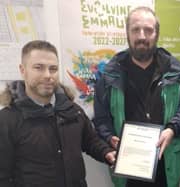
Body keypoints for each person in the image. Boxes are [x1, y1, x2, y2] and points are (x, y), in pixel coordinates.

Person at [93, 6, 180, 187]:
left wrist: (172, 129)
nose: (142, 36)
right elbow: (101, 118)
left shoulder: (175, 69)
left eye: (148, 30)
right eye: (135, 29)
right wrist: (110, 136)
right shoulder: (110, 73)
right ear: (127, 33)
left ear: (156, 34)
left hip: (166, 166)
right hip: (128, 168)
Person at [0, 40, 116, 187]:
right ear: (23, 70)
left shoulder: (73, 109)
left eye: (53, 68)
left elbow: (90, 140)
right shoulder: (6, 120)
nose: (48, 75)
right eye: (38, 68)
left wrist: (106, 153)